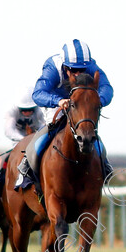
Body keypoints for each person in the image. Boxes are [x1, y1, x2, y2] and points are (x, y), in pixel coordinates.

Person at [17, 39, 114, 187]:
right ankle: (27, 167)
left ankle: (104, 165)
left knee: (91, 133)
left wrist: (97, 100)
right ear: (64, 66)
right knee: (47, 132)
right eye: (73, 70)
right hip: (57, 103)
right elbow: (38, 94)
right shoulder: (52, 67)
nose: (78, 74)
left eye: (82, 70)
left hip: (81, 105)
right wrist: (58, 101)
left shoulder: (91, 66)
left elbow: (107, 88)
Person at [0, 92, 46, 193]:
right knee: (7, 158)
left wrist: (36, 136)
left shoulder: (39, 110)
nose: (27, 113)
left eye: (29, 110)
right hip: (18, 140)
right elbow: (9, 130)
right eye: (24, 110)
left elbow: (46, 124)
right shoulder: (11, 111)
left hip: (36, 139)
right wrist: (23, 139)